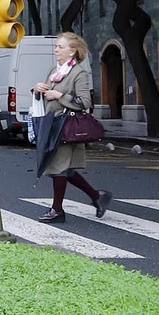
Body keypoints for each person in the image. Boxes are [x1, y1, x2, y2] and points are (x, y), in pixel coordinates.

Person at [33, 32, 113, 224]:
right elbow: (47, 97)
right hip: (53, 125)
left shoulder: (79, 73)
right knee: (62, 169)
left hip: (68, 127)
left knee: (59, 168)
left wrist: (59, 96)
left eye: (60, 47)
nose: (56, 50)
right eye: (57, 46)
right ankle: (97, 197)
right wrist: (38, 91)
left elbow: (85, 102)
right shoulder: (55, 71)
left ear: (72, 51)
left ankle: (57, 210)